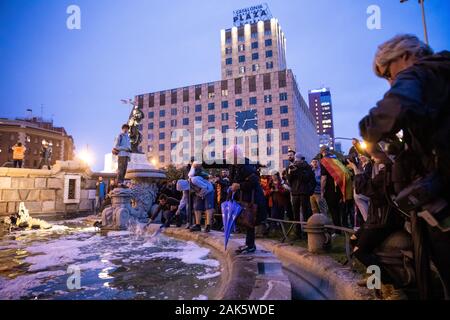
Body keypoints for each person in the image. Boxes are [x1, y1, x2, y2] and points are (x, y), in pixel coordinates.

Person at [359, 34, 450, 297]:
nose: (390, 82)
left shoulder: (419, 73)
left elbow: (385, 115)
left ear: (406, 56)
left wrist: (369, 132)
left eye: (388, 73)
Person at [227, 145, 268, 254]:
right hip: (245, 198)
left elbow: (254, 181)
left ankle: (250, 245)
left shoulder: (246, 165)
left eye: (231, 156)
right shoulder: (235, 166)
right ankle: (249, 244)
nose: (229, 158)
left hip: (252, 199)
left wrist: (239, 186)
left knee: (250, 221)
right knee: (247, 222)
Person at [287, 153, 316, 238]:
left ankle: (306, 232)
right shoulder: (291, 166)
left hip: (304, 192)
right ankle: (297, 232)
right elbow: (289, 180)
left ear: (302, 159)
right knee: (295, 213)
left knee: (305, 212)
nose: (296, 162)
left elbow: (306, 179)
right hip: (295, 192)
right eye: (296, 160)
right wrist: (290, 172)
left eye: (298, 159)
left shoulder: (307, 167)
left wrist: (298, 171)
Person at [320, 146, 344, 229]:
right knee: (338, 209)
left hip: (330, 189)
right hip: (339, 187)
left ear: (322, 152)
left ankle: (337, 230)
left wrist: (322, 191)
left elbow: (324, 178)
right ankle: (342, 228)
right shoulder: (335, 160)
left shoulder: (324, 161)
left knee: (333, 210)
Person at [188, 162, 215, 233]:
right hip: (200, 193)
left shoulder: (194, 179)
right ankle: (198, 225)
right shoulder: (187, 186)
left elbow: (205, 187)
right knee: (197, 207)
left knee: (208, 208)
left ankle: (208, 225)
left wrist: (200, 193)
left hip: (208, 190)